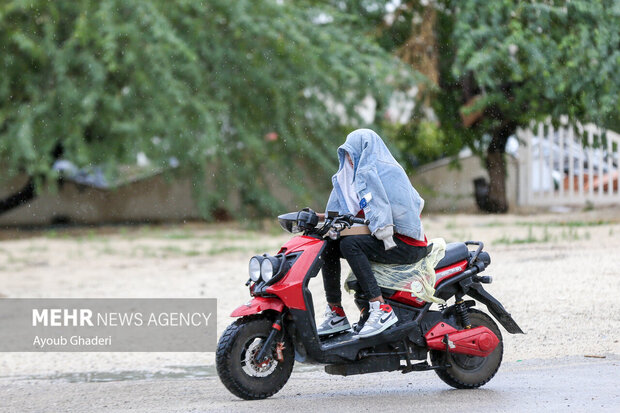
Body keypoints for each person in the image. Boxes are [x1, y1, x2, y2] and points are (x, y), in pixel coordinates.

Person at [317, 129, 428, 338]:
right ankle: (336, 312)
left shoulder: (390, 173)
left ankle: (381, 309)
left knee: (350, 245)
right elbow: (345, 214)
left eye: (353, 153)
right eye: (346, 153)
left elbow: (400, 218)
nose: (349, 159)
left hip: (406, 243)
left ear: (366, 151)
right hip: (380, 238)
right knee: (328, 244)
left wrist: (375, 223)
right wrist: (318, 218)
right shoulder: (350, 180)